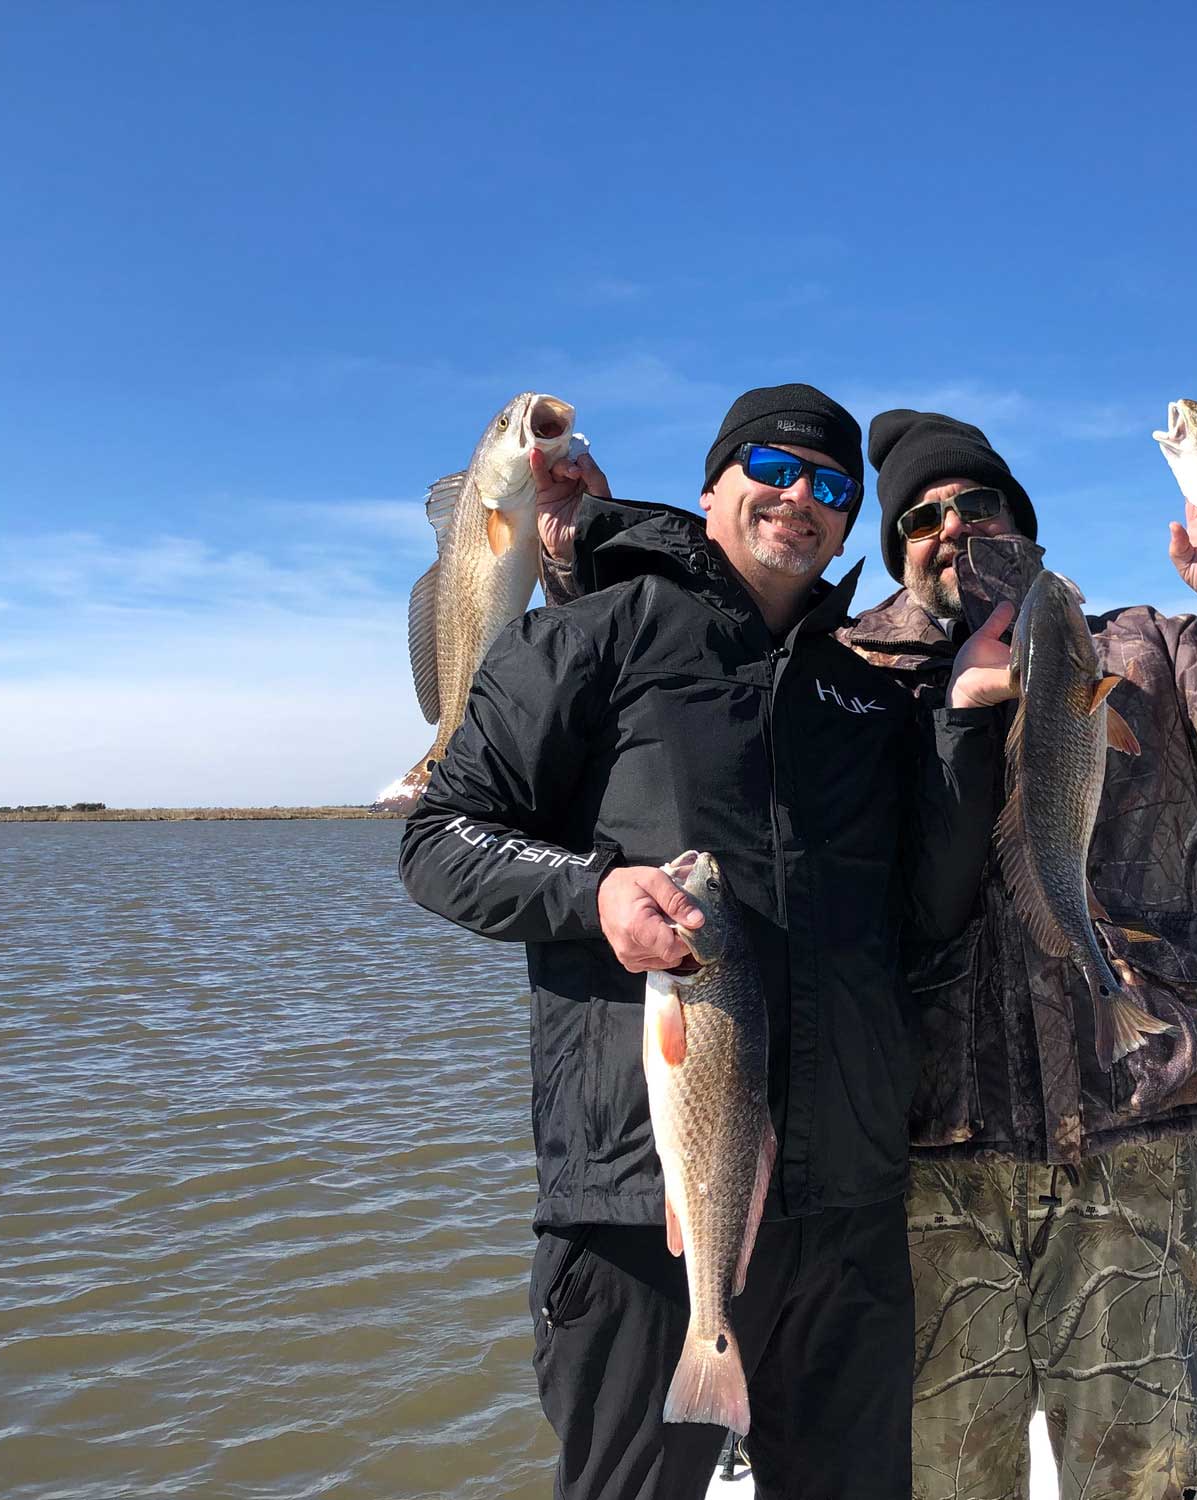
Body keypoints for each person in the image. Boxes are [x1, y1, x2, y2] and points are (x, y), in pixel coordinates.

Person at [399, 385, 1015, 1500]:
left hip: (845, 1218)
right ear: (710, 489)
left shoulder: (859, 693)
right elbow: (439, 839)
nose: (799, 499)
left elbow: (927, 915)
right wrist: (597, 898)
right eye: (770, 471)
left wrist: (966, 718)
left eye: (831, 486)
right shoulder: (591, 636)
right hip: (643, 1208)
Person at [841, 410, 1197, 1500]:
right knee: (942, 1484)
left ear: (1024, 526)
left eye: (977, 504)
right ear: (897, 543)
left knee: (1139, 1482)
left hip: (1131, 1146)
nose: (951, 527)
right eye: (921, 516)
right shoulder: (850, 673)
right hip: (923, 1170)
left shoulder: (1143, 648)